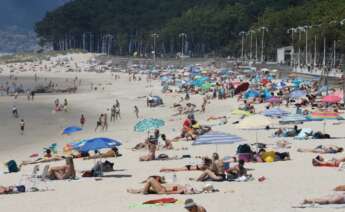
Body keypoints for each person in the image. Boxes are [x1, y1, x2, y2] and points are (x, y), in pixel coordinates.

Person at [127, 177, 199, 194]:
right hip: (163, 188)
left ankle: (143, 192)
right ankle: (137, 190)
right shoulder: (183, 188)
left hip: (163, 190)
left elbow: (173, 192)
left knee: (151, 179)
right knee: (151, 186)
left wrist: (165, 193)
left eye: (191, 189)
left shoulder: (182, 190)